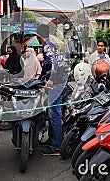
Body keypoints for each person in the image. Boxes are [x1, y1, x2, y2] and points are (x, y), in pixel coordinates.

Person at [37, 24, 68, 156]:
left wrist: (50, 78)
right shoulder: (53, 44)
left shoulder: (47, 46)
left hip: (56, 82)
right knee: (52, 113)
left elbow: (52, 63)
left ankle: (57, 146)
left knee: (54, 114)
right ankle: (52, 140)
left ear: (39, 36)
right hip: (60, 81)